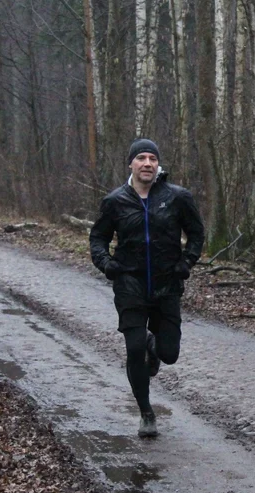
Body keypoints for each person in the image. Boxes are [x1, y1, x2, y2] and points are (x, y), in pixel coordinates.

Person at [89, 139, 205, 437]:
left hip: (168, 286)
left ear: (158, 165)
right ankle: (146, 413)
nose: (147, 163)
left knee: (169, 354)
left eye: (152, 158)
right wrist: (107, 264)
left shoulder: (177, 197)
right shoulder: (115, 201)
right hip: (130, 285)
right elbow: (98, 239)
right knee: (134, 348)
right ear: (131, 163)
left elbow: (196, 233)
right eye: (140, 157)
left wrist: (186, 262)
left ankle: (155, 348)